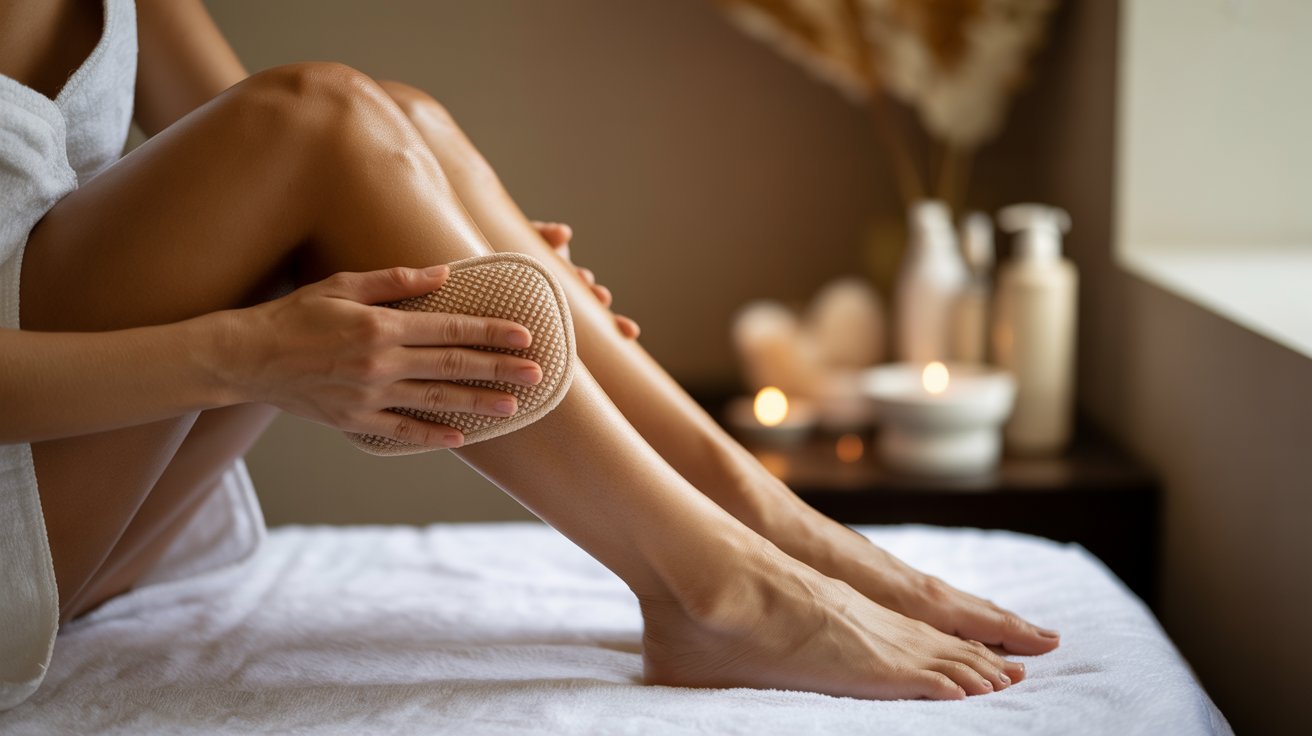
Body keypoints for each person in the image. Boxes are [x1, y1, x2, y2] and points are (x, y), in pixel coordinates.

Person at [0, 0, 1059, 709]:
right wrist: (246, 355)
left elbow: (299, 167)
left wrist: (452, 232)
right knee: (319, 117)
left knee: (389, 117)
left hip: (71, 510)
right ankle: (714, 587)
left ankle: (766, 519)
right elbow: (296, 138)